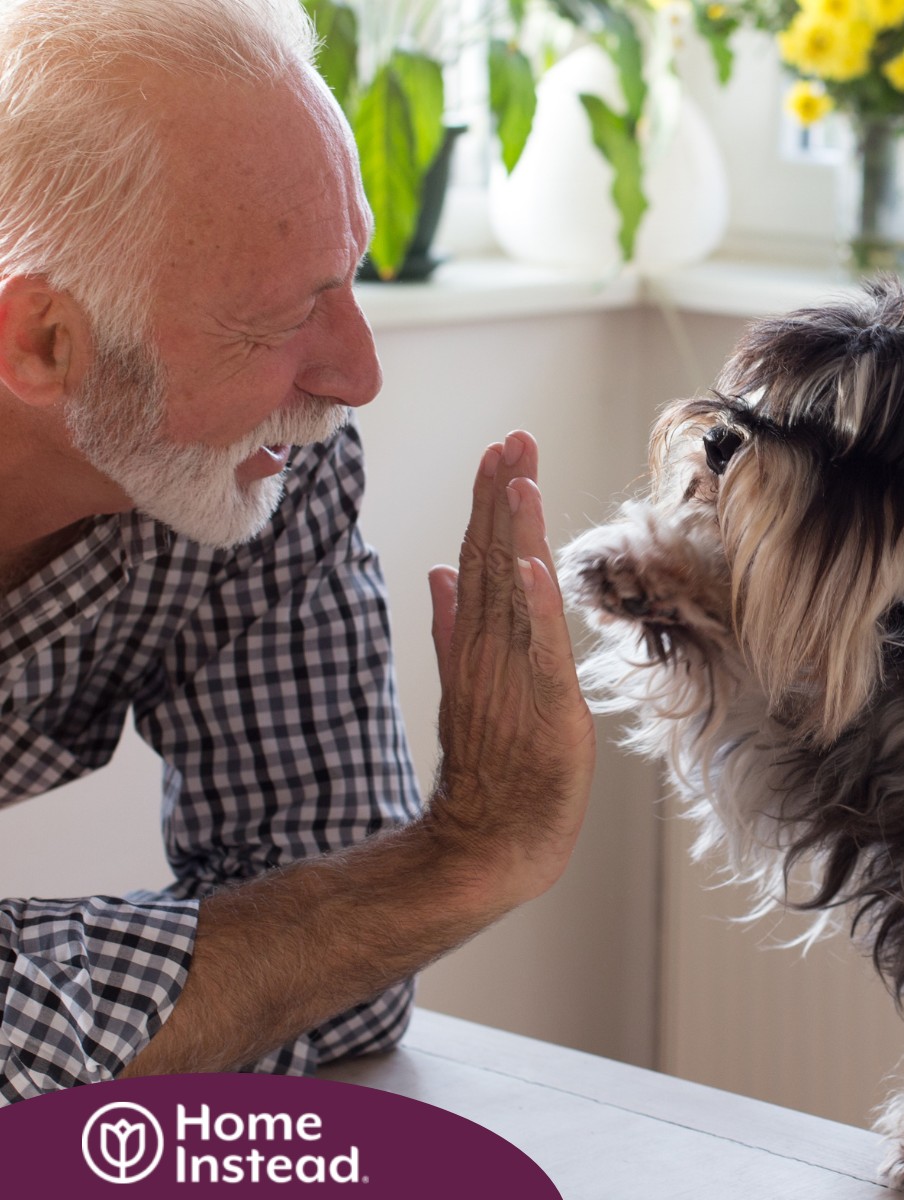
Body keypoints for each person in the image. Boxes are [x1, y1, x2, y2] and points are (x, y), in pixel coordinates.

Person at [0, 0, 596, 1101]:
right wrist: (459, 859)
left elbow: (350, 981)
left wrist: (424, 878)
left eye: (350, 275)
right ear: (42, 341)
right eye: (277, 322)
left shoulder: (259, 462)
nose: (356, 375)